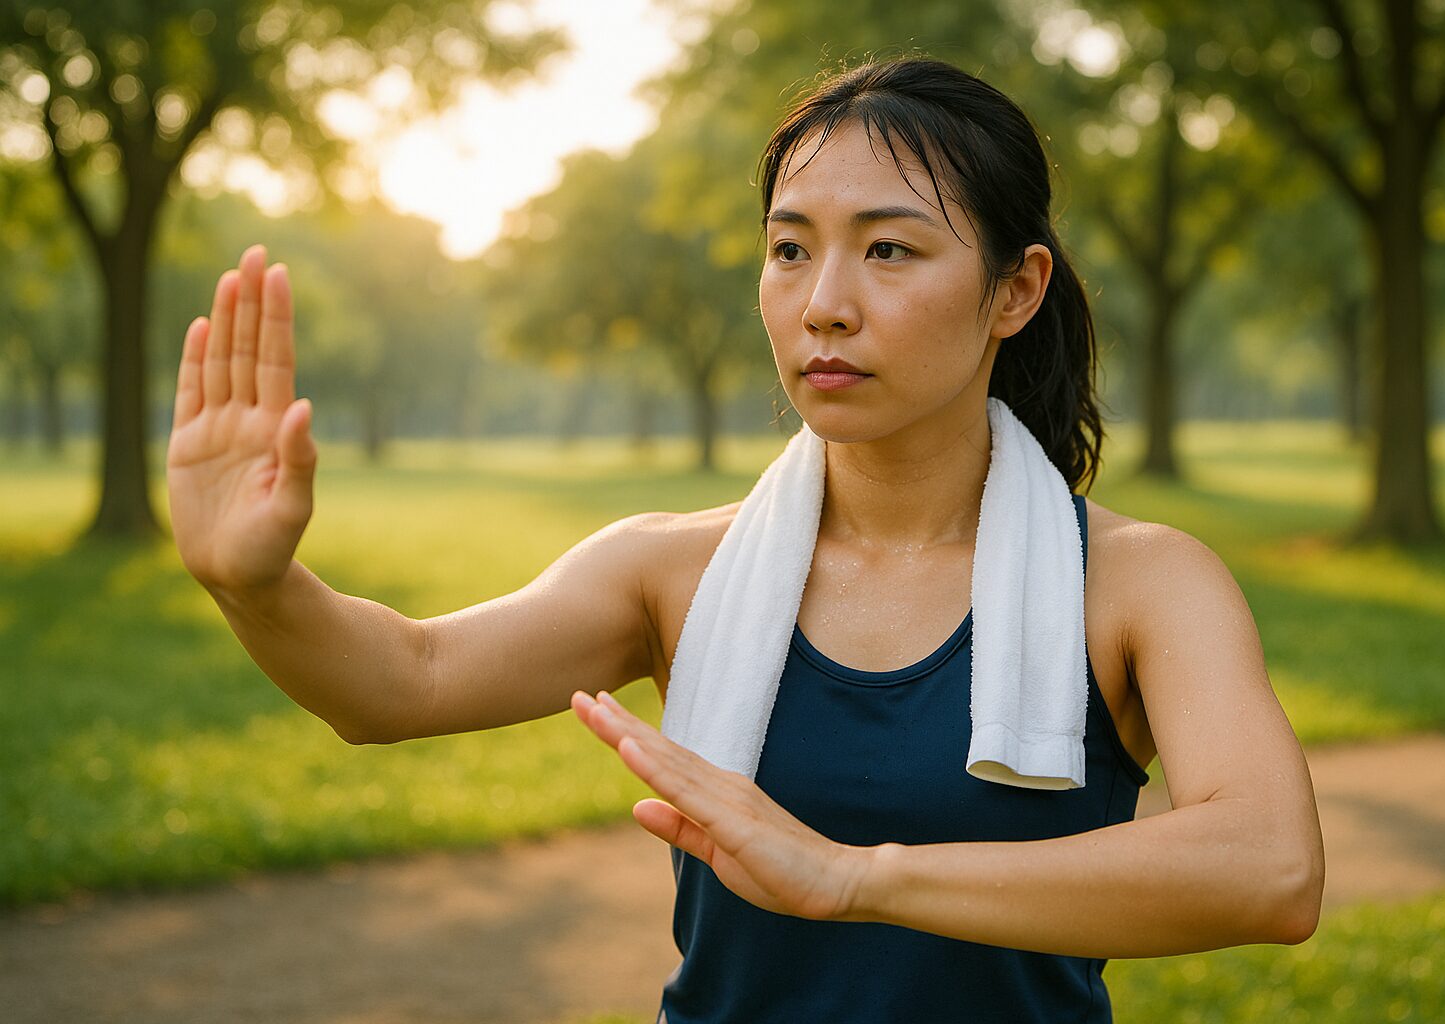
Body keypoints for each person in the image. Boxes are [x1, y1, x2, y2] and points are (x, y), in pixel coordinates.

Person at [167, 54, 1324, 1024]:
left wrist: (855, 879)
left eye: (889, 249)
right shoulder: (672, 569)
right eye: (789, 248)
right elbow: (401, 683)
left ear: (1015, 290)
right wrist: (258, 586)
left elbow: (1268, 867)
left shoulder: (1136, 583)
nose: (823, 299)